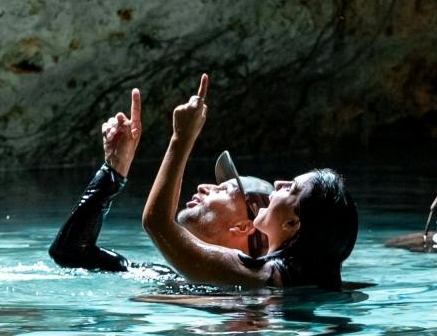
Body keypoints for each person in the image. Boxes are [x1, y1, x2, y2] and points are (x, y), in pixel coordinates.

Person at [141, 74, 357, 290]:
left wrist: (181, 137)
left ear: (292, 223)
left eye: (291, 188)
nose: (278, 183)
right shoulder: (310, 280)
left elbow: (156, 223)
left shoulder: (254, 273)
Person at [48, 87, 271, 273]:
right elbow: (69, 252)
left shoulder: (243, 292)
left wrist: (182, 136)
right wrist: (113, 170)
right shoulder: (163, 275)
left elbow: (157, 223)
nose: (204, 186)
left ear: (243, 226)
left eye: (223, 191)